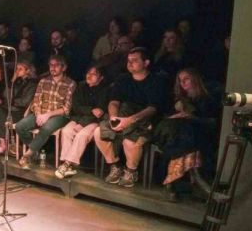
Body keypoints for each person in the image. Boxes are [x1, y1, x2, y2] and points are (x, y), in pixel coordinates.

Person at [94, 47, 167, 187]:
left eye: (135, 60)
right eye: (128, 60)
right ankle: (115, 165)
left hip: (145, 120)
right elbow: (114, 101)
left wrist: (130, 120)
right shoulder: (123, 79)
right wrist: (114, 117)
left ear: (146, 63)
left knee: (130, 141)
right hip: (123, 115)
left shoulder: (156, 81)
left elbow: (152, 108)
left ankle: (131, 171)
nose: (130, 63)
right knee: (98, 132)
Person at [152, 69, 220, 201]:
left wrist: (192, 117)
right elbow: (166, 118)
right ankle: (191, 183)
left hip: (199, 134)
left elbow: (213, 122)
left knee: (186, 143)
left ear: (195, 79)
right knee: (181, 138)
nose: (183, 83)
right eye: (180, 80)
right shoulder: (179, 99)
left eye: (186, 79)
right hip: (176, 135)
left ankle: (175, 184)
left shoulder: (207, 99)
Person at [15, 54, 75, 169]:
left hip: (59, 116)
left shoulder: (70, 83)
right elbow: (36, 101)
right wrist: (39, 115)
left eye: (56, 65)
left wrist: (47, 115)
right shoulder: (43, 81)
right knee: (20, 126)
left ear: (64, 67)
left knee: (46, 128)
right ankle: (35, 151)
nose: (53, 68)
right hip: (41, 113)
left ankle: (27, 155)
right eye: (51, 65)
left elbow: (66, 108)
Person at [56, 65, 110, 179]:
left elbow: (99, 113)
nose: (89, 76)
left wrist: (83, 122)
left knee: (82, 135)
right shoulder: (81, 86)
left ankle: (66, 164)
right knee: (66, 130)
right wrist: (90, 110)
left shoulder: (105, 90)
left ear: (101, 78)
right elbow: (76, 107)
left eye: (94, 74)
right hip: (78, 118)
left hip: (94, 121)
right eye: (88, 73)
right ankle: (68, 167)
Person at [0, 60, 37, 155]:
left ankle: (0, 145)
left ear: (28, 71)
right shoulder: (16, 82)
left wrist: (12, 101)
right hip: (11, 109)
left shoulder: (32, 84)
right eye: (16, 69)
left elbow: (25, 102)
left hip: (21, 112)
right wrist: (12, 81)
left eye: (20, 69)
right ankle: (0, 144)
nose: (17, 71)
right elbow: (5, 95)